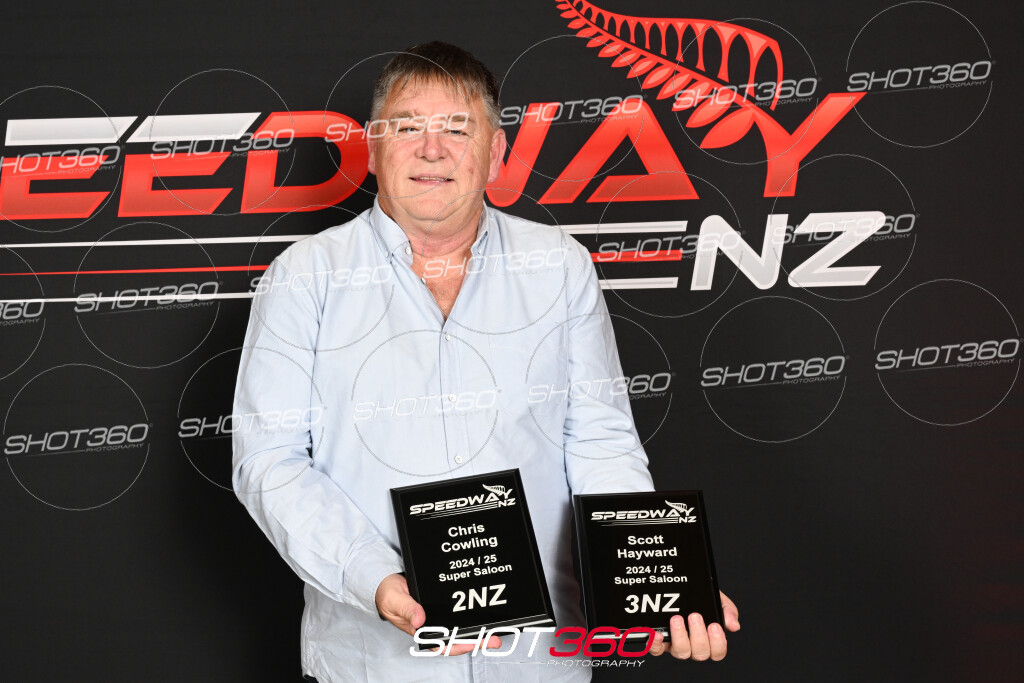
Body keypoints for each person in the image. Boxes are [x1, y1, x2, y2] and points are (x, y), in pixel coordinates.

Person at [232, 41, 739, 683]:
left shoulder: (558, 266)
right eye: (407, 128)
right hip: (375, 664)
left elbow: (600, 441)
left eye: (457, 129)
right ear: (374, 149)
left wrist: (658, 586)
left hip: (539, 663)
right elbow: (269, 462)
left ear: (496, 152)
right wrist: (373, 577)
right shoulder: (305, 277)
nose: (432, 150)